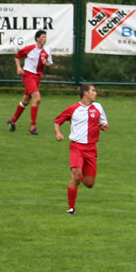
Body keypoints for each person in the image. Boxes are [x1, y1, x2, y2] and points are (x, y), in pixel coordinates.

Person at [54, 84, 109, 214]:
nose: (95, 93)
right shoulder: (73, 109)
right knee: (76, 176)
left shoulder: (98, 107)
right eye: (93, 90)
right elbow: (57, 121)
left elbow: (102, 123)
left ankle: (79, 174)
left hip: (91, 149)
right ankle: (71, 208)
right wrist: (58, 133)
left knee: (89, 184)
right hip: (77, 147)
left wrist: (104, 126)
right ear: (85, 93)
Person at [7, 30, 54, 135]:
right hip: (28, 75)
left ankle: (12, 121)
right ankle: (33, 126)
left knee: (26, 101)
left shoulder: (47, 50)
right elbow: (17, 56)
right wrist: (19, 68)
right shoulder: (30, 48)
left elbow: (50, 64)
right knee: (37, 99)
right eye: (42, 37)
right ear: (37, 39)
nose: (44, 39)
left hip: (37, 77)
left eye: (45, 37)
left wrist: (45, 63)